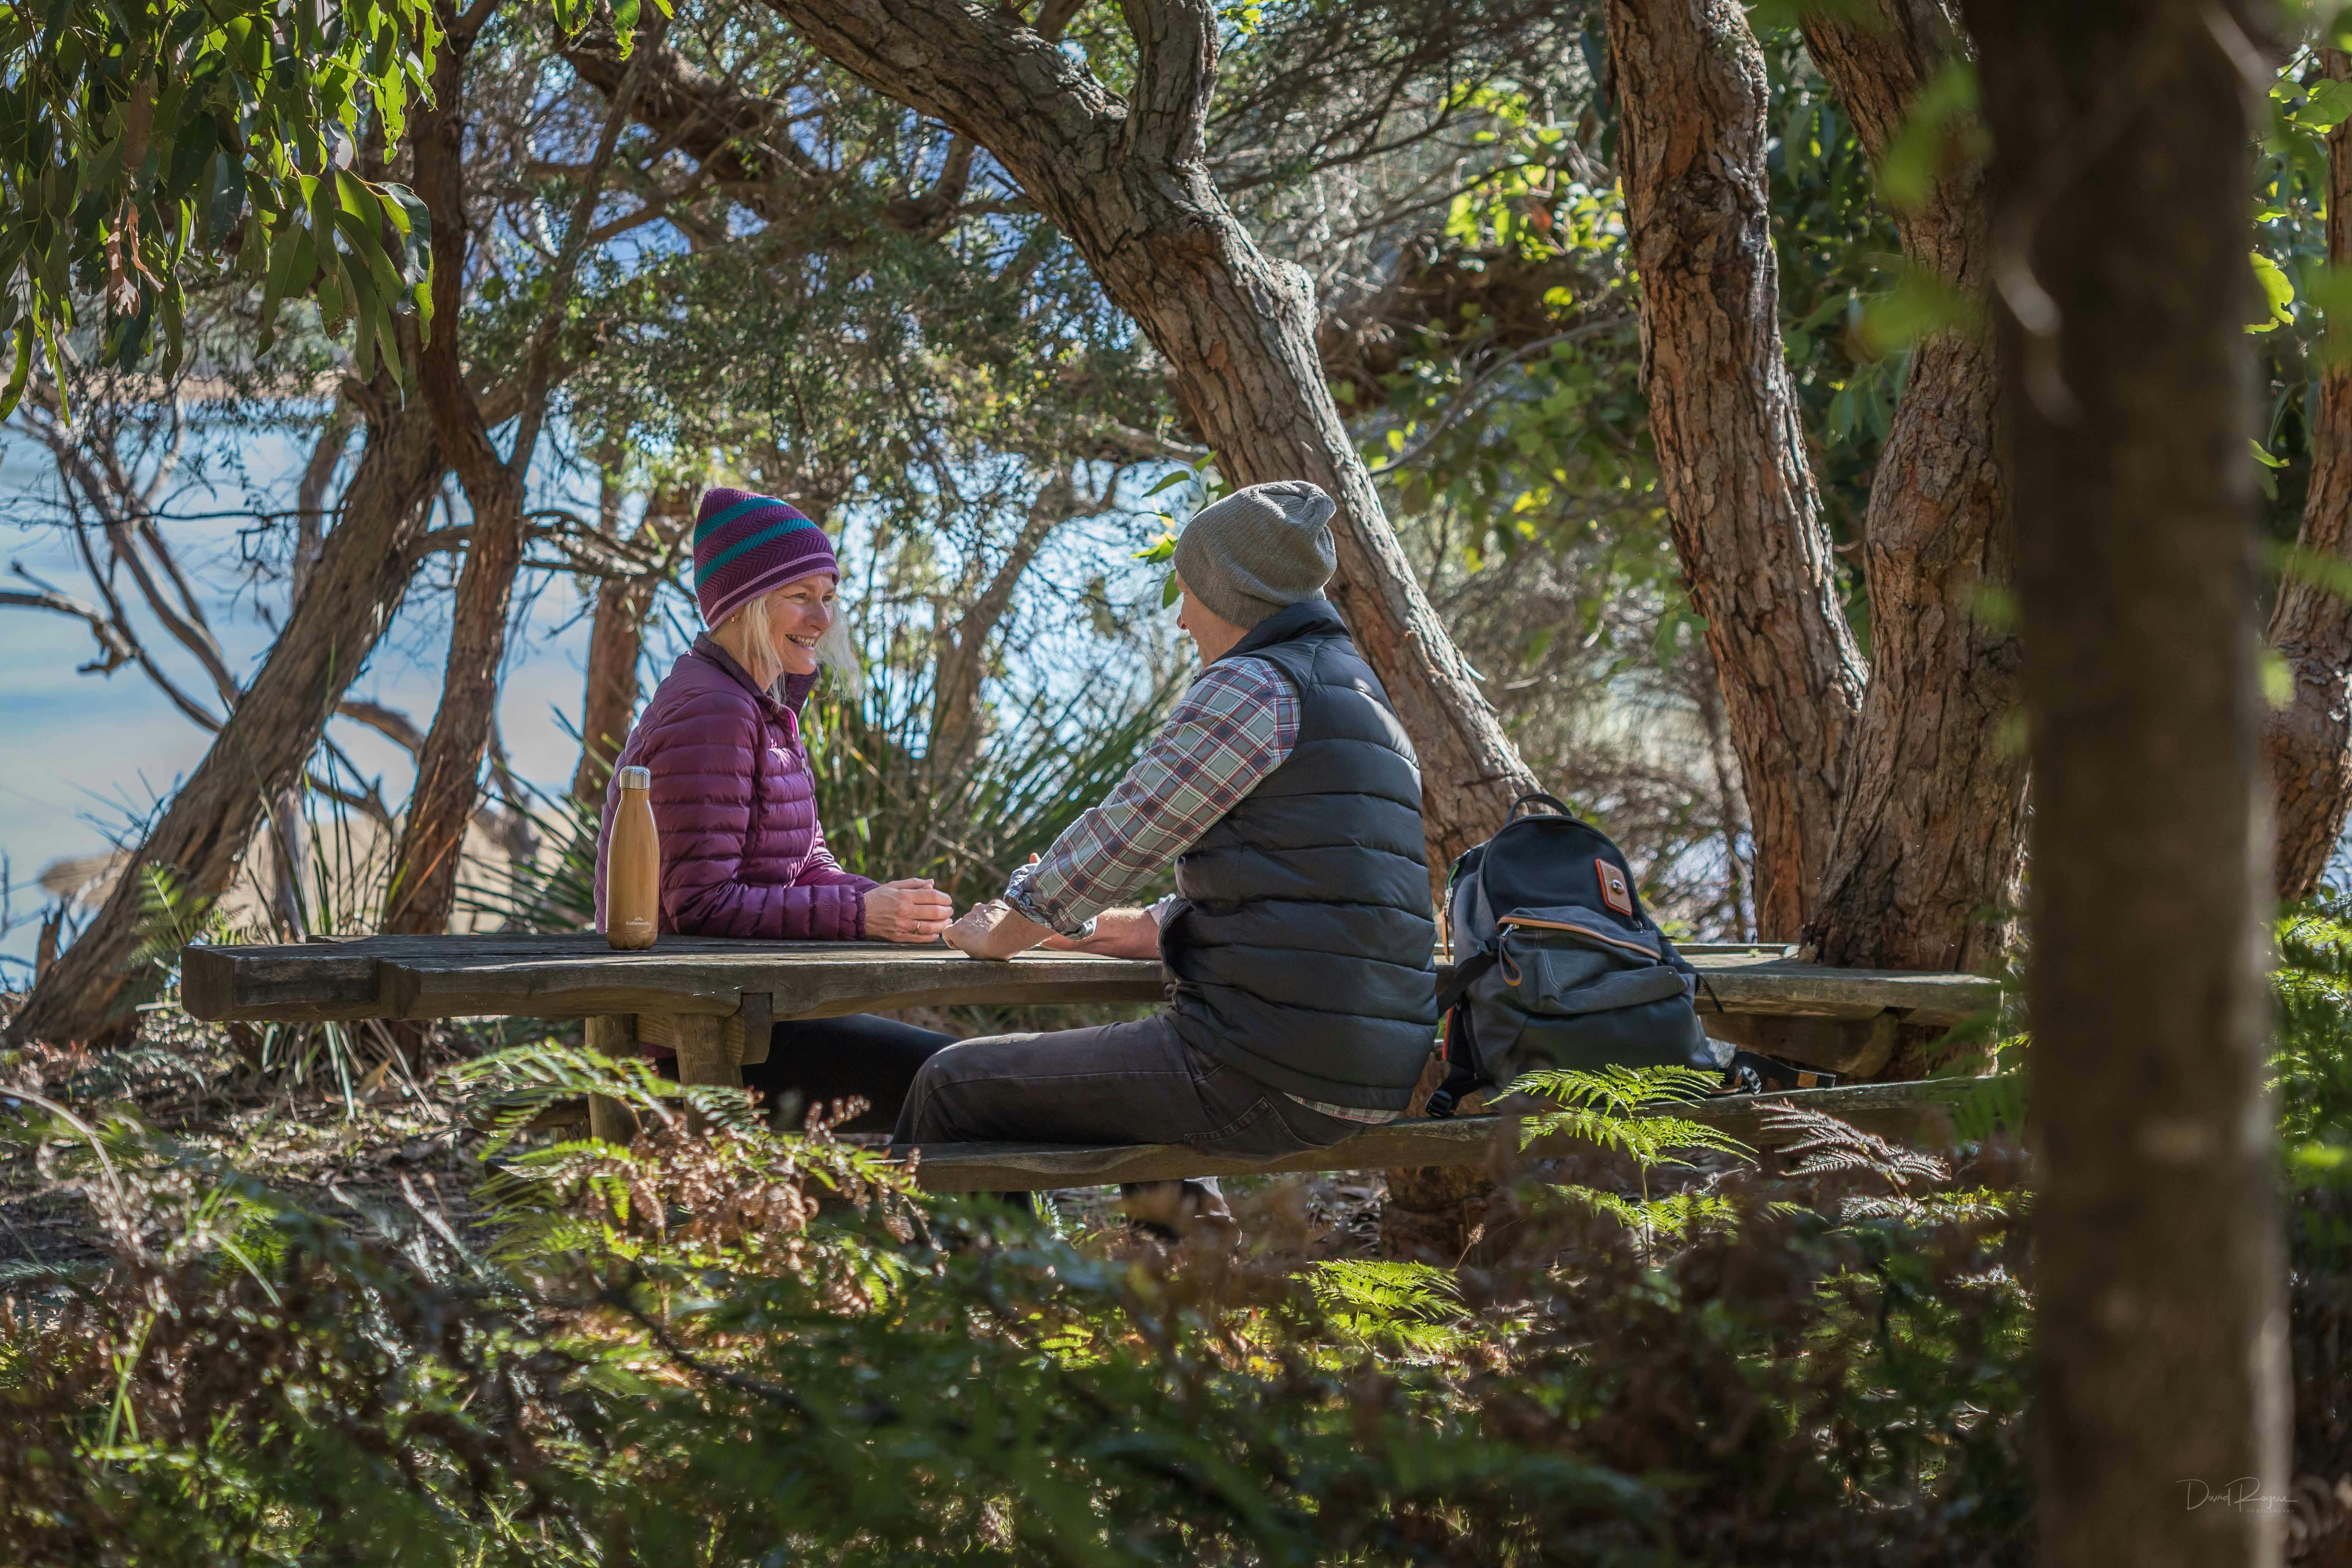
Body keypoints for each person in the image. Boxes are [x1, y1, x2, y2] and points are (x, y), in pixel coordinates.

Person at [899, 480, 1439, 1222]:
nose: (1181, 618)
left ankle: (986, 1322)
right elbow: (1288, 890)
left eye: (1187, 594)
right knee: (1138, 1078)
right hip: (1366, 1076)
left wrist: (1009, 925)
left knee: (951, 1085)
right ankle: (1189, 1311)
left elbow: (1128, 829)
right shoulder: (1358, 696)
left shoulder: (1255, 683)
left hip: (1267, 1071)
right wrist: (1094, 929)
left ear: (1232, 595)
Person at [593, 486, 958, 1132]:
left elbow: (806, 865)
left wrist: (898, 907)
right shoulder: (714, 710)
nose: (822, 618)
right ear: (741, 604)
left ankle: (984, 1238)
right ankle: (1010, 1241)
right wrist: (861, 914)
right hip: (706, 1041)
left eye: (829, 597)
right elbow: (702, 905)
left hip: (760, 1016)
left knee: (970, 1082)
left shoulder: (763, 706)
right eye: (801, 596)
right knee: (964, 1083)